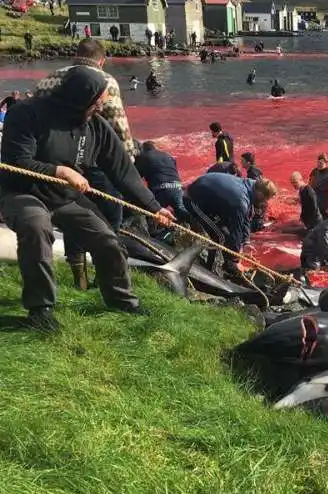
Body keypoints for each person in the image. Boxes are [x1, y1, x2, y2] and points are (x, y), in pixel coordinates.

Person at [0, 66, 175, 332]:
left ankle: (121, 300)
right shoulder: (25, 113)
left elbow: (123, 172)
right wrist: (59, 170)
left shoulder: (96, 127)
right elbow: (17, 162)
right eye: (98, 101)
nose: (101, 106)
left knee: (107, 239)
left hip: (65, 197)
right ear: (80, 98)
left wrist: (154, 207)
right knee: (36, 228)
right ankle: (41, 309)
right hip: (23, 192)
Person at [34, 38, 138, 288]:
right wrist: (128, 163)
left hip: (57, 161)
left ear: (76, 55)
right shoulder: (103, 81)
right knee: (110, 215)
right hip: (94, 161)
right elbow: (117, 126)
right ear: (101, 61)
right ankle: (109, 275)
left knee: (74, 217)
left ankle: (79, 277)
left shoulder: (49, 78)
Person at [184, 173, 277, 278]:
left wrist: (246, 242)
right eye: (266, 198)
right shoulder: (241, 200)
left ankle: (224, 263)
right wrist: (236, 260)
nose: (265, 202)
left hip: (210, 202)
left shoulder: (249, 186)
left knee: (225, 235)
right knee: (219, 236)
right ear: (260, 193)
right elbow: (236, 231)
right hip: (192, 199)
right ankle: (210, 271)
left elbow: (246, 218)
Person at [135, 141, 190, 223]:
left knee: (151, 217)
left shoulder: (143, 157)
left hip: (160, 191)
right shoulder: (168, 156)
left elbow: (135, 177)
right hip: (177, 188)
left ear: (143, 150)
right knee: (184, 214)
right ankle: (198, 231)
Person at [309, 153, 328, 219]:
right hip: (314, 198)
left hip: (324, 201)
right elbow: (309, 185)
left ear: (326, 163)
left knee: (325, 218)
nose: (318, 164)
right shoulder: (314, 171)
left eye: (321, 163)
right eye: (318, 162)